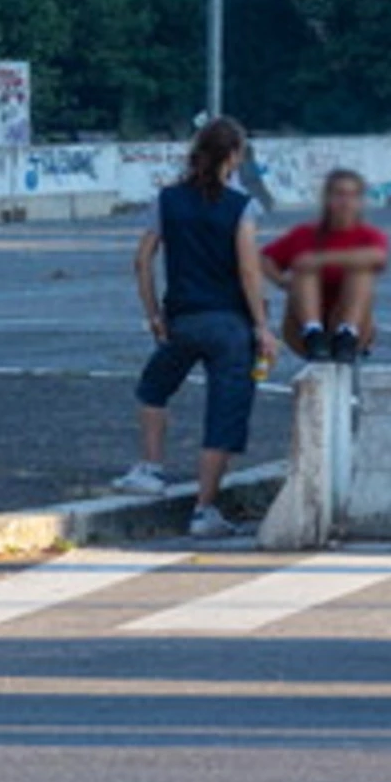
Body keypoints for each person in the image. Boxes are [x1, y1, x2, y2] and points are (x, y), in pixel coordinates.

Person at [113, 118, 278, 538]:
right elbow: (247, 269)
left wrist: (153, 313)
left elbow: (142, 260)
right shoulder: (241, 206)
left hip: (182, 319)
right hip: (231, 326)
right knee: (224, 416)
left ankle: (150, 468)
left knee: (154, 387)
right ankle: (204, 510)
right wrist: (262, 325)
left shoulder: (167, 200)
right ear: (234, 156)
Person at [261, 169, 389, 364]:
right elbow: (264, 259)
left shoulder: (368, 236)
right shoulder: (304, 234)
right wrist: (283, 282)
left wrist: (321, 259)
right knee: (304, 271)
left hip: (353, 325)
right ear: (327, 198)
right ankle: (313, 331)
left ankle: (347, 333)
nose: (345, 202)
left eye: (352, 195)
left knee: (361, 271)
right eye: (339, 194)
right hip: (302, 329)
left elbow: (378, 257)